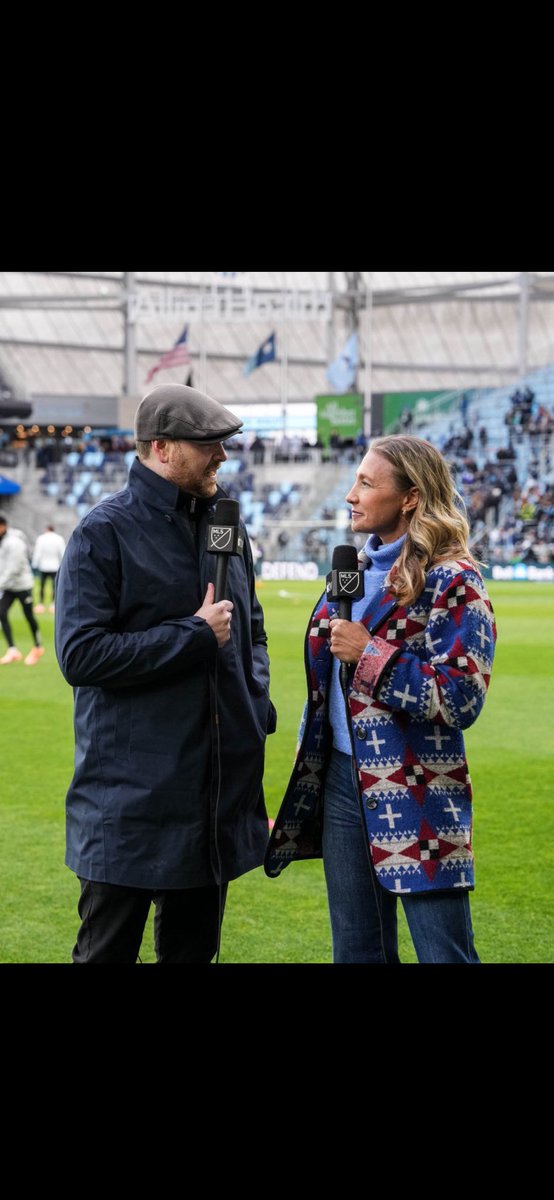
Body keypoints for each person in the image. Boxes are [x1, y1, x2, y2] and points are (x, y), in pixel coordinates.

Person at [55, 383, 277, 964]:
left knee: (192, 956)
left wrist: (254, 697)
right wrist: (193, 635)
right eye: (208, 445)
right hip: (130, 803)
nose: (222, 456)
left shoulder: (226, 524)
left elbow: (251, 628)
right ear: (161, 447)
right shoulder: (102, 532)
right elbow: (80, 655)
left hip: (213, 801)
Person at [265, 435, 496, 964]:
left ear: (410, 497)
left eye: (367, 484)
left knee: (444, 954)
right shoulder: (355, 568)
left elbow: (462, 697)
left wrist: (371, 654)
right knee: (356, 951)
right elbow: (327, 682)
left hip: (418, 789)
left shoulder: (454, 580)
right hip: (341, 781)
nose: (351, 495)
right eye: (355, 480)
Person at [0, 514, 45, 666]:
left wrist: (1, 582)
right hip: (9, 586)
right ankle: (12, 650)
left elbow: (15, 567)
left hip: (22, 586)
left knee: (29, 616)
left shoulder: (14, 542)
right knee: (1, 612)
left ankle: (38, 646)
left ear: (3, 526)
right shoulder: (3, 541)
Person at [31, 523, 66, 612]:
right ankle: (53, 604)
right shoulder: (59, 538)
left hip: (43, 566)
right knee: (55, 586)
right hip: (55, 566)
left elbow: (38, 552)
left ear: (46, 529)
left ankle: (40, 604)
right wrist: (63, 565)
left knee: (42, 586)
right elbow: (62, 552)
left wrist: (34, 564)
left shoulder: (41, 538)